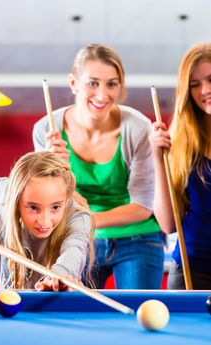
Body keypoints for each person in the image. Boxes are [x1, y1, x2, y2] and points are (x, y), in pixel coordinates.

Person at [33, 43, 165, 289]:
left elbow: (143, 207)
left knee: (140, 315)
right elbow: (48, 203)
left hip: (138, 238)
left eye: (111, 84)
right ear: (74, 83)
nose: (102, 95)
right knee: (74, 317)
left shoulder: (138, 128)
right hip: (78, 241)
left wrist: (85, 220)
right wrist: (55, 170)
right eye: (92, 83)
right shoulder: (46, 129)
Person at [0, 151, 94, 290]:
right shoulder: (6, 195)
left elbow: (74, 250)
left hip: (53, 302)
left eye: (55, 207)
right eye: (33, 208)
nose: (44, 221)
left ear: (67, 200)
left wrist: (59, 276)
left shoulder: (78, 218)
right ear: (16, 200)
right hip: (11, 298)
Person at [149, 42, 211, 289]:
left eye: (210, 79)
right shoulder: (179, 141)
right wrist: (157, 157)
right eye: (194, 84)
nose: (204, 90)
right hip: (191, 271)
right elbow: (167, 224)